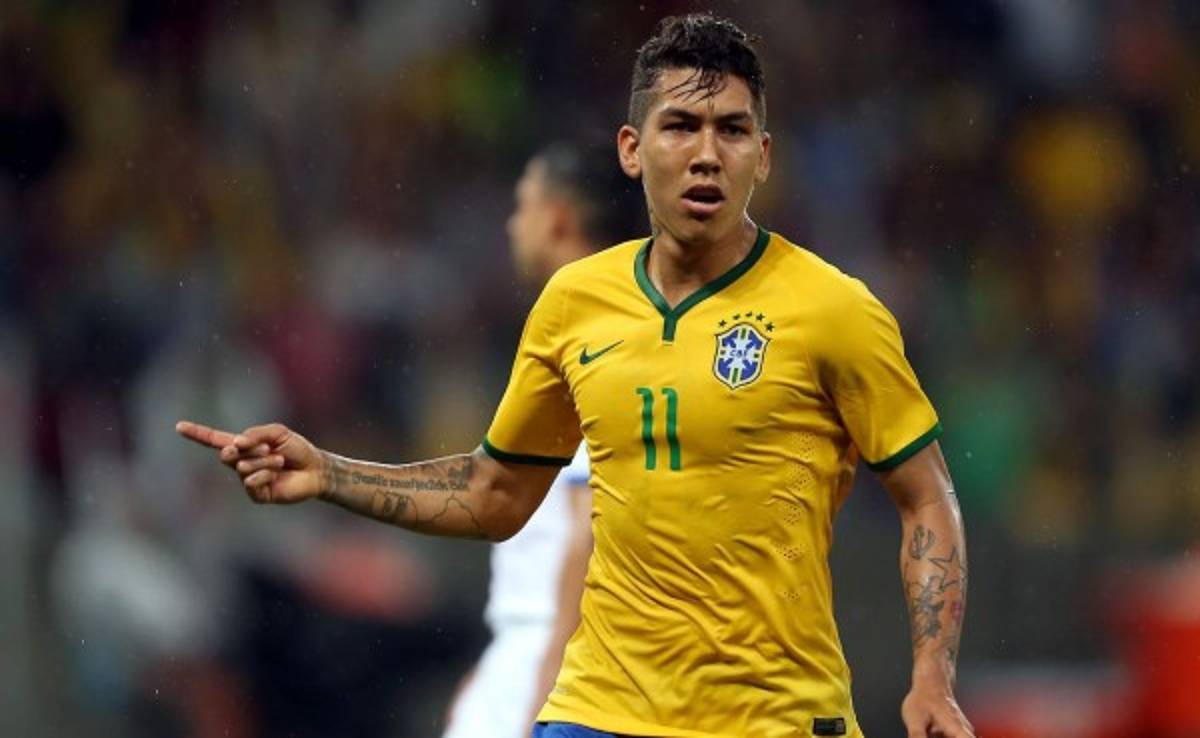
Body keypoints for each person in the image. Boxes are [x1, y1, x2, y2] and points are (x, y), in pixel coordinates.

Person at [178, 13, 974, 738]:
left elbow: (927, 498)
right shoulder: (574, 304)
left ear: (761, 156)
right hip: (597, 713)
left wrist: (932, 677)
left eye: (732, 130)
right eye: (680, 126)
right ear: (632, 149)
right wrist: (329, 473)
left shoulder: (834, 311)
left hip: (773, 719)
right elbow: (495, 492)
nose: (706, 154)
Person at [442, 142, 644, 738]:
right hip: (535, 653)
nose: (512, 224)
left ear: (556, 217)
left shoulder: (596, 337)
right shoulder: (616, 325)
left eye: (521, 204)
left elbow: (589, 534)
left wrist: (543, 698)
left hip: (560, 665)